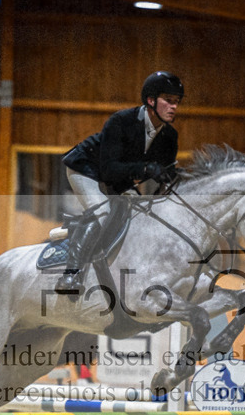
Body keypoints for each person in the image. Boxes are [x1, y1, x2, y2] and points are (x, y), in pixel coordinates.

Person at [56, 71, 184, 296]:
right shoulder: (121, 121)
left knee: (142, 215)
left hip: (119, 178)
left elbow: (166, 177)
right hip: (87, 169)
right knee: (103, 212)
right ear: (151, 100)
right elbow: (109, 170)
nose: (173, 107)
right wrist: (145, 169)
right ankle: (71, 274)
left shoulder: (170, 136)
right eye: (168, 100)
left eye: (176, 102)